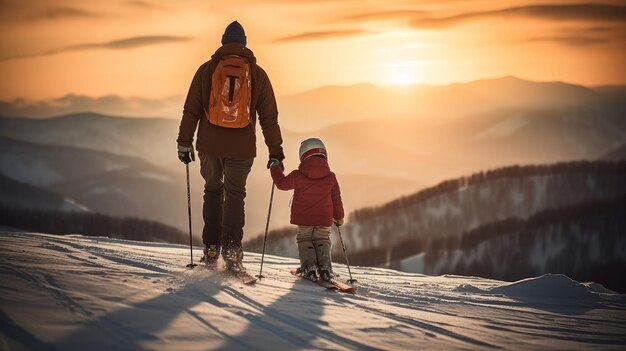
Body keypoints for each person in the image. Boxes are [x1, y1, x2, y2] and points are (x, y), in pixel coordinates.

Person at [177, 20, 284, 273]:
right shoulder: (257, 75)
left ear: (223, 42)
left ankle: (211, 249)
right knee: (236, 196)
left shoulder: (206, 70)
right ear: (245, 44)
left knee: (213, 191)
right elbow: (269, 117)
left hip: (210, 146)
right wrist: (275, 151)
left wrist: (184, 143)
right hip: (242, 147)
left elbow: (191, 110)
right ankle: (233, 252)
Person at [269, 138, 344, 281]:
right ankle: (325, 268)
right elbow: (336, 198)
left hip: (304, 219)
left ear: (303, 155)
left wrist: (275, 166)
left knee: (305, 240)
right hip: (324, 218)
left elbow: (282, 184)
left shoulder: (298, 175)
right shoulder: (331, 177)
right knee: (322, 239)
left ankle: (309, 268)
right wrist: (339, 216)